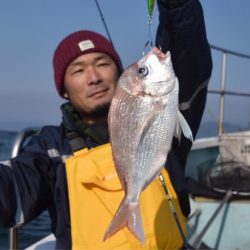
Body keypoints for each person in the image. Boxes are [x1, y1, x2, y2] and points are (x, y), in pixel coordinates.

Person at [0, 0, 212, 249]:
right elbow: (12, 189)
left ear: (120, 73)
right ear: (64, 90)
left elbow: (188, 52)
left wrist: (178, 5)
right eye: (78, 70)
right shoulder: (51, 149)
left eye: (102, 63)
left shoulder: (167, 110)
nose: (94, 78)